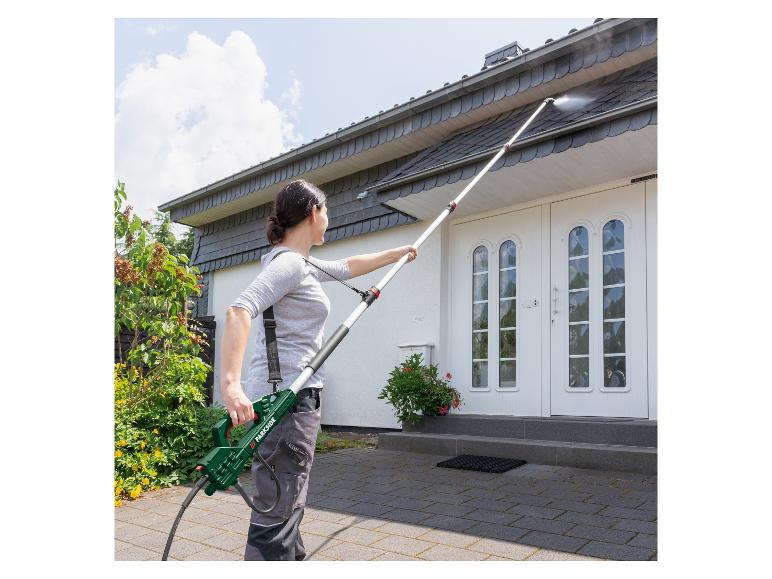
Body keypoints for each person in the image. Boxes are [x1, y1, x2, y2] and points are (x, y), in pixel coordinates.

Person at [221, 178, 417, 561]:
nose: (329, 219)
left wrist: (397, 252)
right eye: (326, 211)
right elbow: (239, 309)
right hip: (288, 403)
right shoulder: (290, 264)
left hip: (293, 399)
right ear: (313, 213)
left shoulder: (299, 262)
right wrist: (230, 384)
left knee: (286, 504)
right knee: (278, 510)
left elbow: (346, 267)